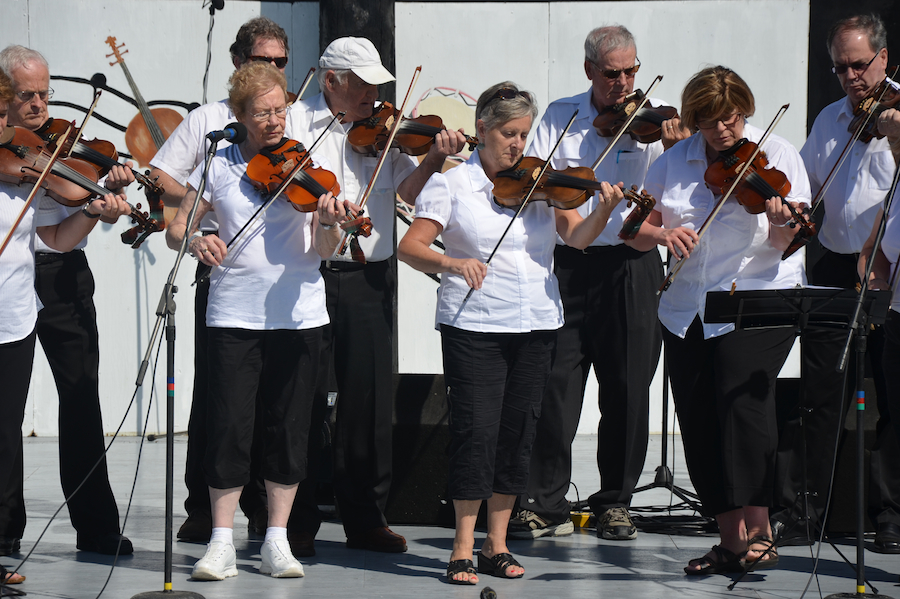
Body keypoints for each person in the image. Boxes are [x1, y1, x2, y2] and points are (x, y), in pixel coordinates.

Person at [398, 81, 625, 584]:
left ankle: (495, 545)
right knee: (474, 434)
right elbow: (410, 247)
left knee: (518, 434)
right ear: (482, 130)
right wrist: (453, 262)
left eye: (523, 134)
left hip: (537, 322)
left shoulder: (541, 185)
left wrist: (604, 210)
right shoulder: (451, 184)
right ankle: (461, 546)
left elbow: (578, 237)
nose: (518, 144)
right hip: (474, 324)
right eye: (508, 133)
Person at [165, 61, 355, 580]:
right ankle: (221, 542)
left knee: (289, 428)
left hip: (298, 316)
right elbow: (175, 226)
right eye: (263, 113)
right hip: (232, 314)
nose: (275, 121)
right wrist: (197, 239)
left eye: (280, 110)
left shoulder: (310, 166)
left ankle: (277, 539)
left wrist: (333, 226)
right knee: (229, 426)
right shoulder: (219, 164)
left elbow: (320, 248)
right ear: (240, 115)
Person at [510, 24, 690, 542]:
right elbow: (541, 181)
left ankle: (616, 501)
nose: (624, 82)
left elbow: (673, 192)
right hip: (569, 264)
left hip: (631, 265)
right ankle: (546, 501)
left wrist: (674, 148)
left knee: (629, 385)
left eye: (632, 70)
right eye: (613, 73)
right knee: (556, 383)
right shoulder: (562, 115)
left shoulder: (657, 122)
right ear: (590, 70)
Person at [627, 66, 810, 574]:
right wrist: (663, 237)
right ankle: (730, 538)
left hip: (760, 297)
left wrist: (778, 225)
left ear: (744, 112)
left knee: (741, 401)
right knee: (700, 415)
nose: (724, 132)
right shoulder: (671, 162)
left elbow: (787, 243)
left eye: (731, 119)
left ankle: (761, 529)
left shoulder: (777, 154)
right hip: (688, 305)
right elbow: (637, 228)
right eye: (709, 123)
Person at [287, 36, 460, 554]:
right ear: (331, 81)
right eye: (363, 84)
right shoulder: (295, 123)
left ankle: (365, 517)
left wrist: (431, 158)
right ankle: (292, 522)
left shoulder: (385, 131)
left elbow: (404, 196)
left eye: (377, 85)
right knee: (303, 399)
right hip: (307, 274)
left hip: (368, 278)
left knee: (367, 399)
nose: (375, 96)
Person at [148, 16, 291, 546]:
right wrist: (203, 221)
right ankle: (204, 511)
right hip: (224, 269)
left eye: (280, 61)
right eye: (263, 60)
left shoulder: (291, 119)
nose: (273, 69)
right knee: (220, 400)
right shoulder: (209, 123)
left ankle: (267, 514)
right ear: (238, 62)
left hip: (284, 280)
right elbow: (165, 175)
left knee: (279, 405)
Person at [0, 44, 134, 556]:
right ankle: (7, 528)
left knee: (81, 398)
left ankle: (96, 528)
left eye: (44, 93)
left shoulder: (60, 147)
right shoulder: (13, 158)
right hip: (12, 278)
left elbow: (61, 230)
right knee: (6, 413)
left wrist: (101, 189)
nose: (39, 105)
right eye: (26, 95)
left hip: (60, 277)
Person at [773, 13, 900, 551]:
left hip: (890, 273)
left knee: (892, 397)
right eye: (840, 67)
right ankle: (808, 509)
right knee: (824, 391)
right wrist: (790, 209)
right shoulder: (830, 119)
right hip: (833, 268)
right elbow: (809, 184)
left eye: (859, 65)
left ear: (884, 59)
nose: (851, 77)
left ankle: (891, 514)